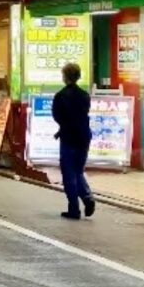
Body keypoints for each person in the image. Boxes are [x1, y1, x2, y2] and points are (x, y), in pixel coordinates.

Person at [53, 62, 95, 220]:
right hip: (84, 136)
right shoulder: (85, 95)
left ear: (65, 76)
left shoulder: (61, 96)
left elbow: (57, 116)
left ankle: (74, 209)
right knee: (78, 170)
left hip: (68, 137)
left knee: (69, 173)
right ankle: (87, 197)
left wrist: (62, 128)